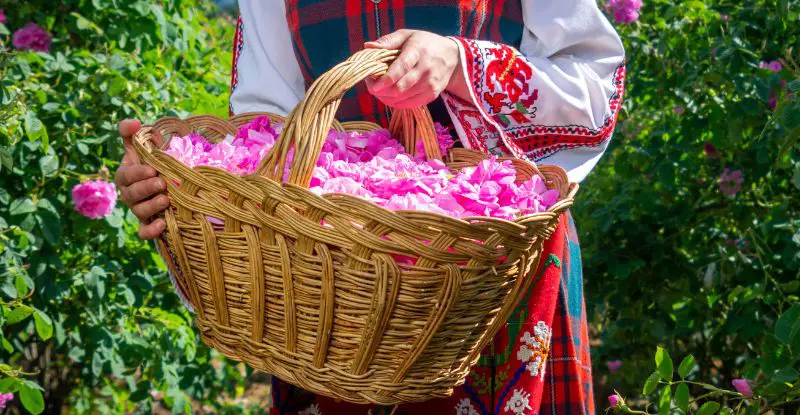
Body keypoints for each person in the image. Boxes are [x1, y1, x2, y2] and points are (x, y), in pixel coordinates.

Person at [115, 1, 626, 413]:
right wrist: (178, 183)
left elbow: (595, 92)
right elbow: (265, 127)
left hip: (494, 268)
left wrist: (460, 65)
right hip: (335, 288)